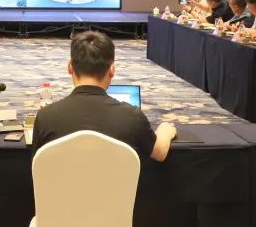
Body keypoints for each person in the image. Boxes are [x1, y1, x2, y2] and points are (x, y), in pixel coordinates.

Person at [32, 31, 177, 162]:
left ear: (70, 67)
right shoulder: (132, 116)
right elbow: (159, 153)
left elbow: (37, 162)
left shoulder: (46, 116)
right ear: (112, 70)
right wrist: (165, 131)